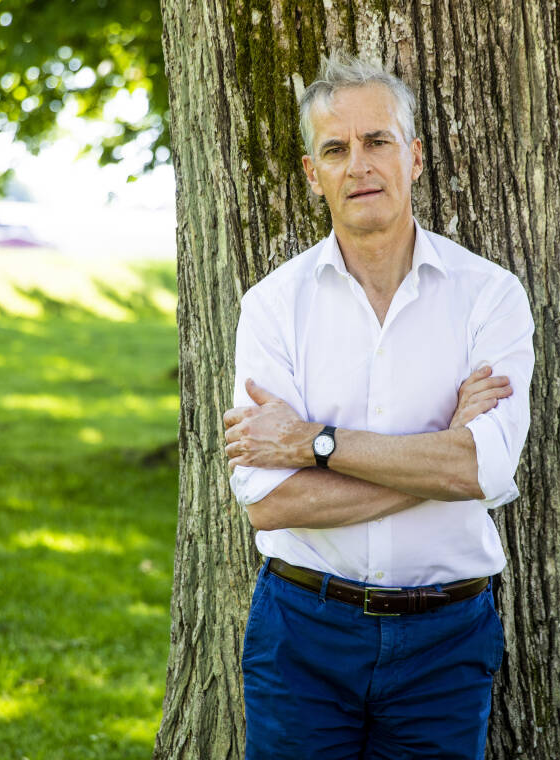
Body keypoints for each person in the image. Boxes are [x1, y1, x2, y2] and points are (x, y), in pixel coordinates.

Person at [221, 53, 535, 760]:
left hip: (445, 641)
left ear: (415, 157)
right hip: (304, 632)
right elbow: (271, 503)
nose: (358, 164)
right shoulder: (273, 306)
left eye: (378, 141)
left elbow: (482, 469)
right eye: (336, 148)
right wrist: (435, 459)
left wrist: (313, 443)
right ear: (313, 173)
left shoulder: (489, 296)